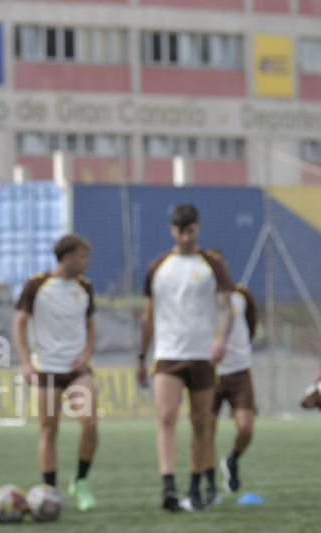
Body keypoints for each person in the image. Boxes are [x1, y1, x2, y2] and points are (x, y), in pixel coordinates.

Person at [136, 204, 234, 513]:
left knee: (201, 423)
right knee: (166, 418)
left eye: (190, 230)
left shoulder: (212, 264)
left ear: (198, 229)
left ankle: (195, 486)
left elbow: (225, 307)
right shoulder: (158, 267)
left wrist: (223, 339)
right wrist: (142, 355)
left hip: (202, 355)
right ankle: (168, 487)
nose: (186, 236)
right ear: (172, 230)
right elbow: (148, 316)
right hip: (168, 355)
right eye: (180, 230)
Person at [12, 234, 98, 512]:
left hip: (76, 371)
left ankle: (81, 481)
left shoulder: (85, 286)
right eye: (84, 256)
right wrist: (26, 362)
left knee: (90, 423)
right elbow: (19, 324)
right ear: (69, 257)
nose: (88, 261)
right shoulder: (36, 285)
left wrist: (86, 355)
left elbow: (91, 326)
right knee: (49, 430)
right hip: (46, 369)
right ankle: (50, 491)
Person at [203, 249, 258, 502]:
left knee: (246, 428)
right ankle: (209, 484)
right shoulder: (199, 296)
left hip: (239, 371)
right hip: (210, 373)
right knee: (206, 431)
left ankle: (232, 459)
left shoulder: (241, 295)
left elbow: (251, 323)